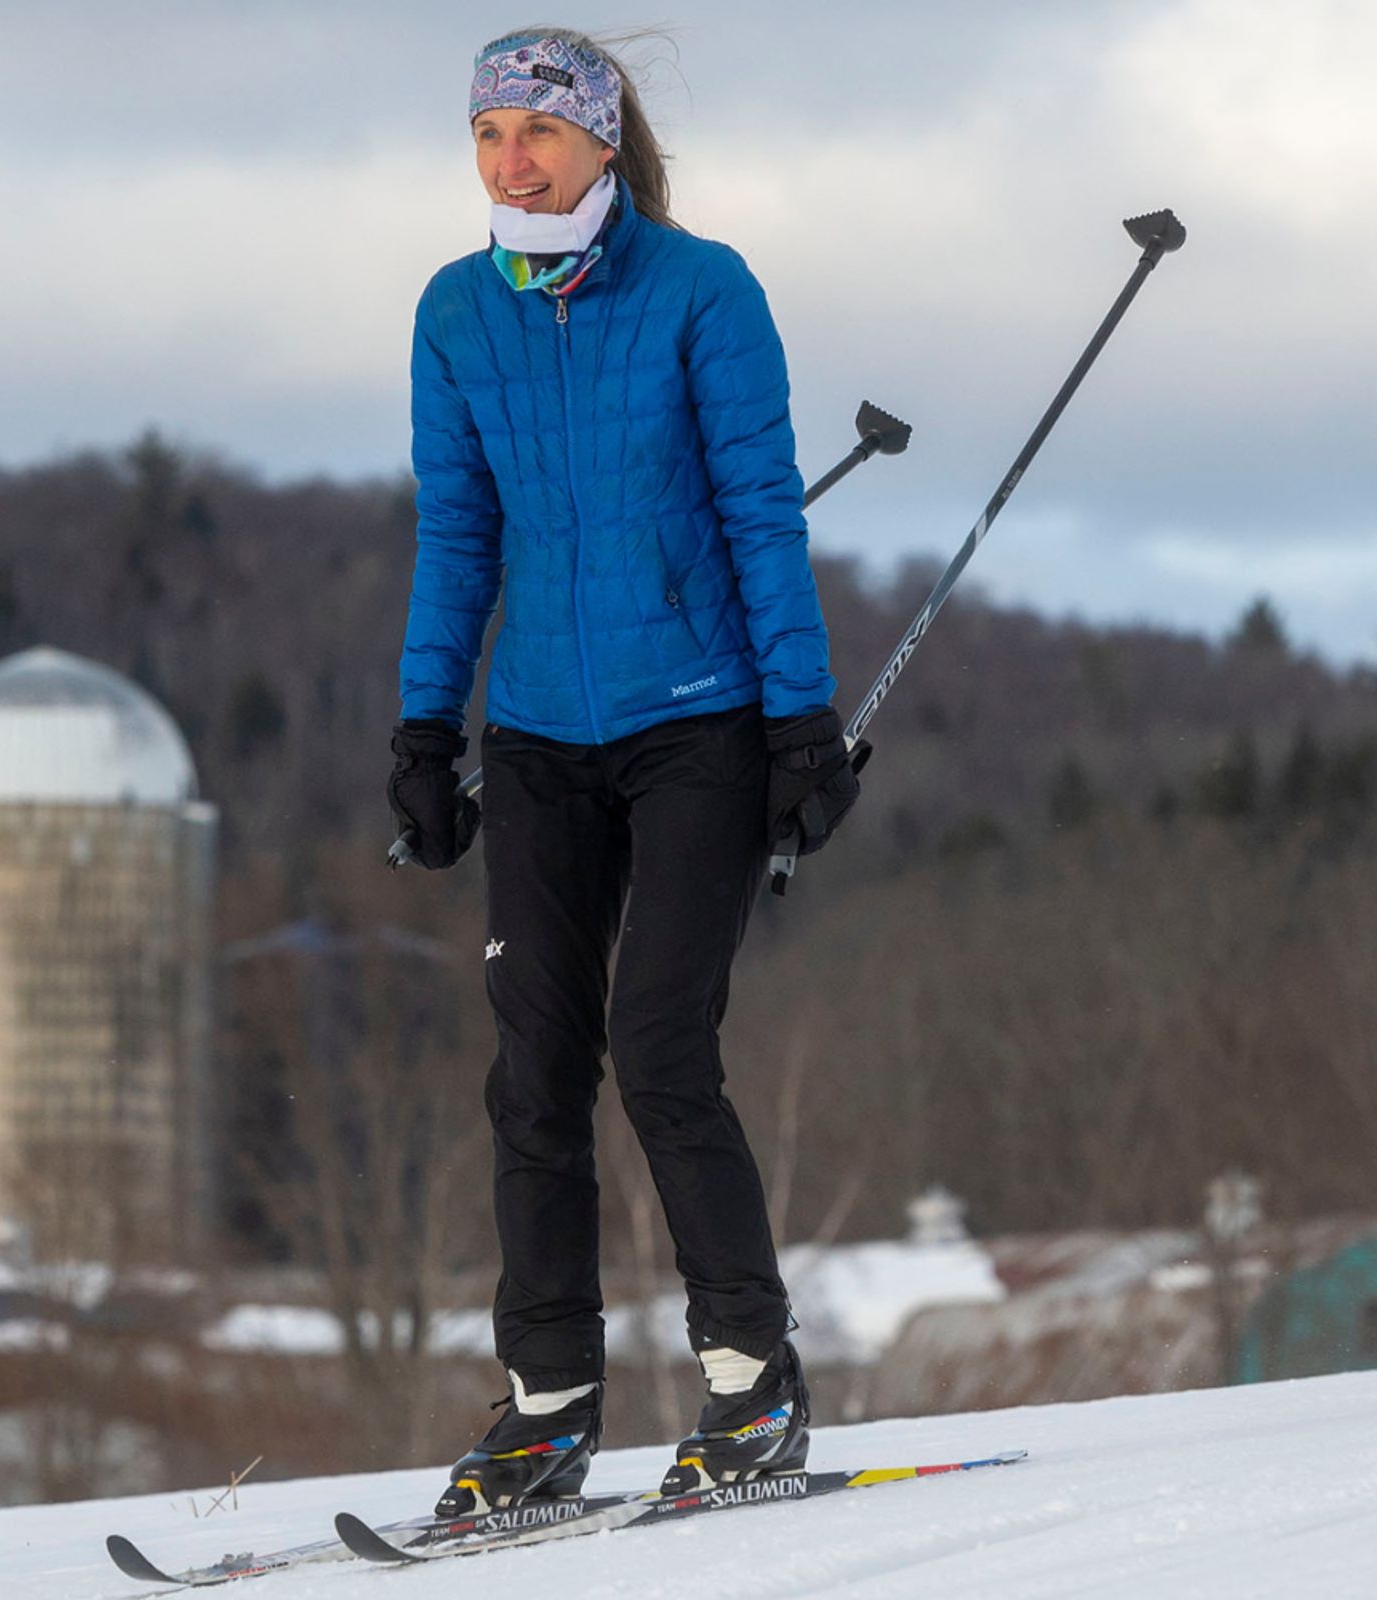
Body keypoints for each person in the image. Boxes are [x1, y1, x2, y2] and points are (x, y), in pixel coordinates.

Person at [385, 28, 865, 1516]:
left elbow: (761, 513)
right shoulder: (457, 313)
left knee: (658, 1044)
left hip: (699, 723)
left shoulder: (702, 291)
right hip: (535, 734)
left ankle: (751, 1383)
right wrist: (423, 730)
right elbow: (458, 537)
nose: (510, 160)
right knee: (533, 1064)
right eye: (487, 136)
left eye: (537, 131)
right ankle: (547, 1404)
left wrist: (802, 722)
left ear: (603, 141)